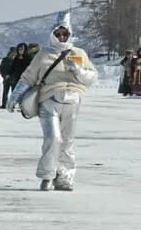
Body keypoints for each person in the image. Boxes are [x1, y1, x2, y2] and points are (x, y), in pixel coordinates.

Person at [7, 14, 97, 190]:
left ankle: (65, 176)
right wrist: (15, 96)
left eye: (65, 34)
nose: (62, 37)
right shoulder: (44, 55)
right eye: (58, 34)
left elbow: (92, 77)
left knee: (67, 140)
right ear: (53, 35)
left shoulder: (78, 54)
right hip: (49, 100)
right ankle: (47, 174)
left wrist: (79, 71)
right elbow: (28, 77)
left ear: (70, 34)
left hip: (72, 99)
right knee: (53, 138)